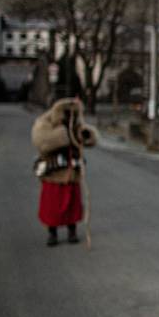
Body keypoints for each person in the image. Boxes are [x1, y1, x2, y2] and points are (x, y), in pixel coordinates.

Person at [31, 97, 97, 246]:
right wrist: (63, 134)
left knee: (72, 204)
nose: (69, 115)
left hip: (71, 172)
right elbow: (41, 141)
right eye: (66, 112)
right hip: (53, 173)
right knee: (51, 206)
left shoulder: (75, 125)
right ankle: (52, 233)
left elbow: (87, 139)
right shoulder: (45, 122)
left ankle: (72, 231)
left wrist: (86, 135)